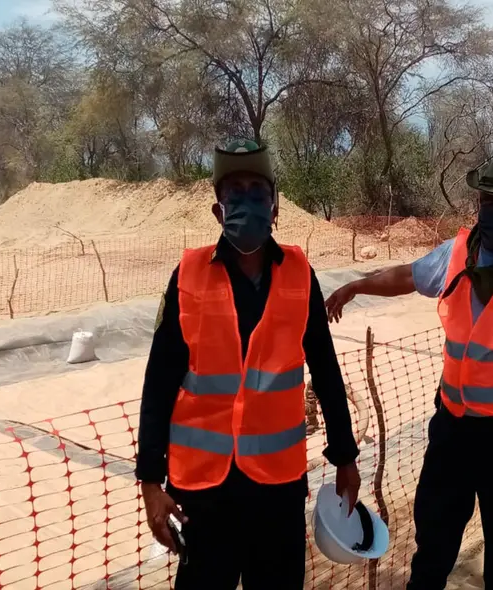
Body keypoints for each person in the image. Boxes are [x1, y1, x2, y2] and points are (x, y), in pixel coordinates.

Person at [326, 149, 493, 590]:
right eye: (490, 203)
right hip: (453, 433)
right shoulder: (456, 254)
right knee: (434, 550)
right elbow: (407, 276)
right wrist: (356, 285)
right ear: (478, 205)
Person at [135, 138, 361, 589]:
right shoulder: (189, 275)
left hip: (276, 490)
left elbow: (326, 370)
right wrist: (150, 482)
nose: (247, 202)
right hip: (203, 492)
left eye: (256, 191)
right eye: (234, 192)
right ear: (217, 209)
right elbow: (158, 384)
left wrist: (345, 456)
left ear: (275, 206)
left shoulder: (300, 274)